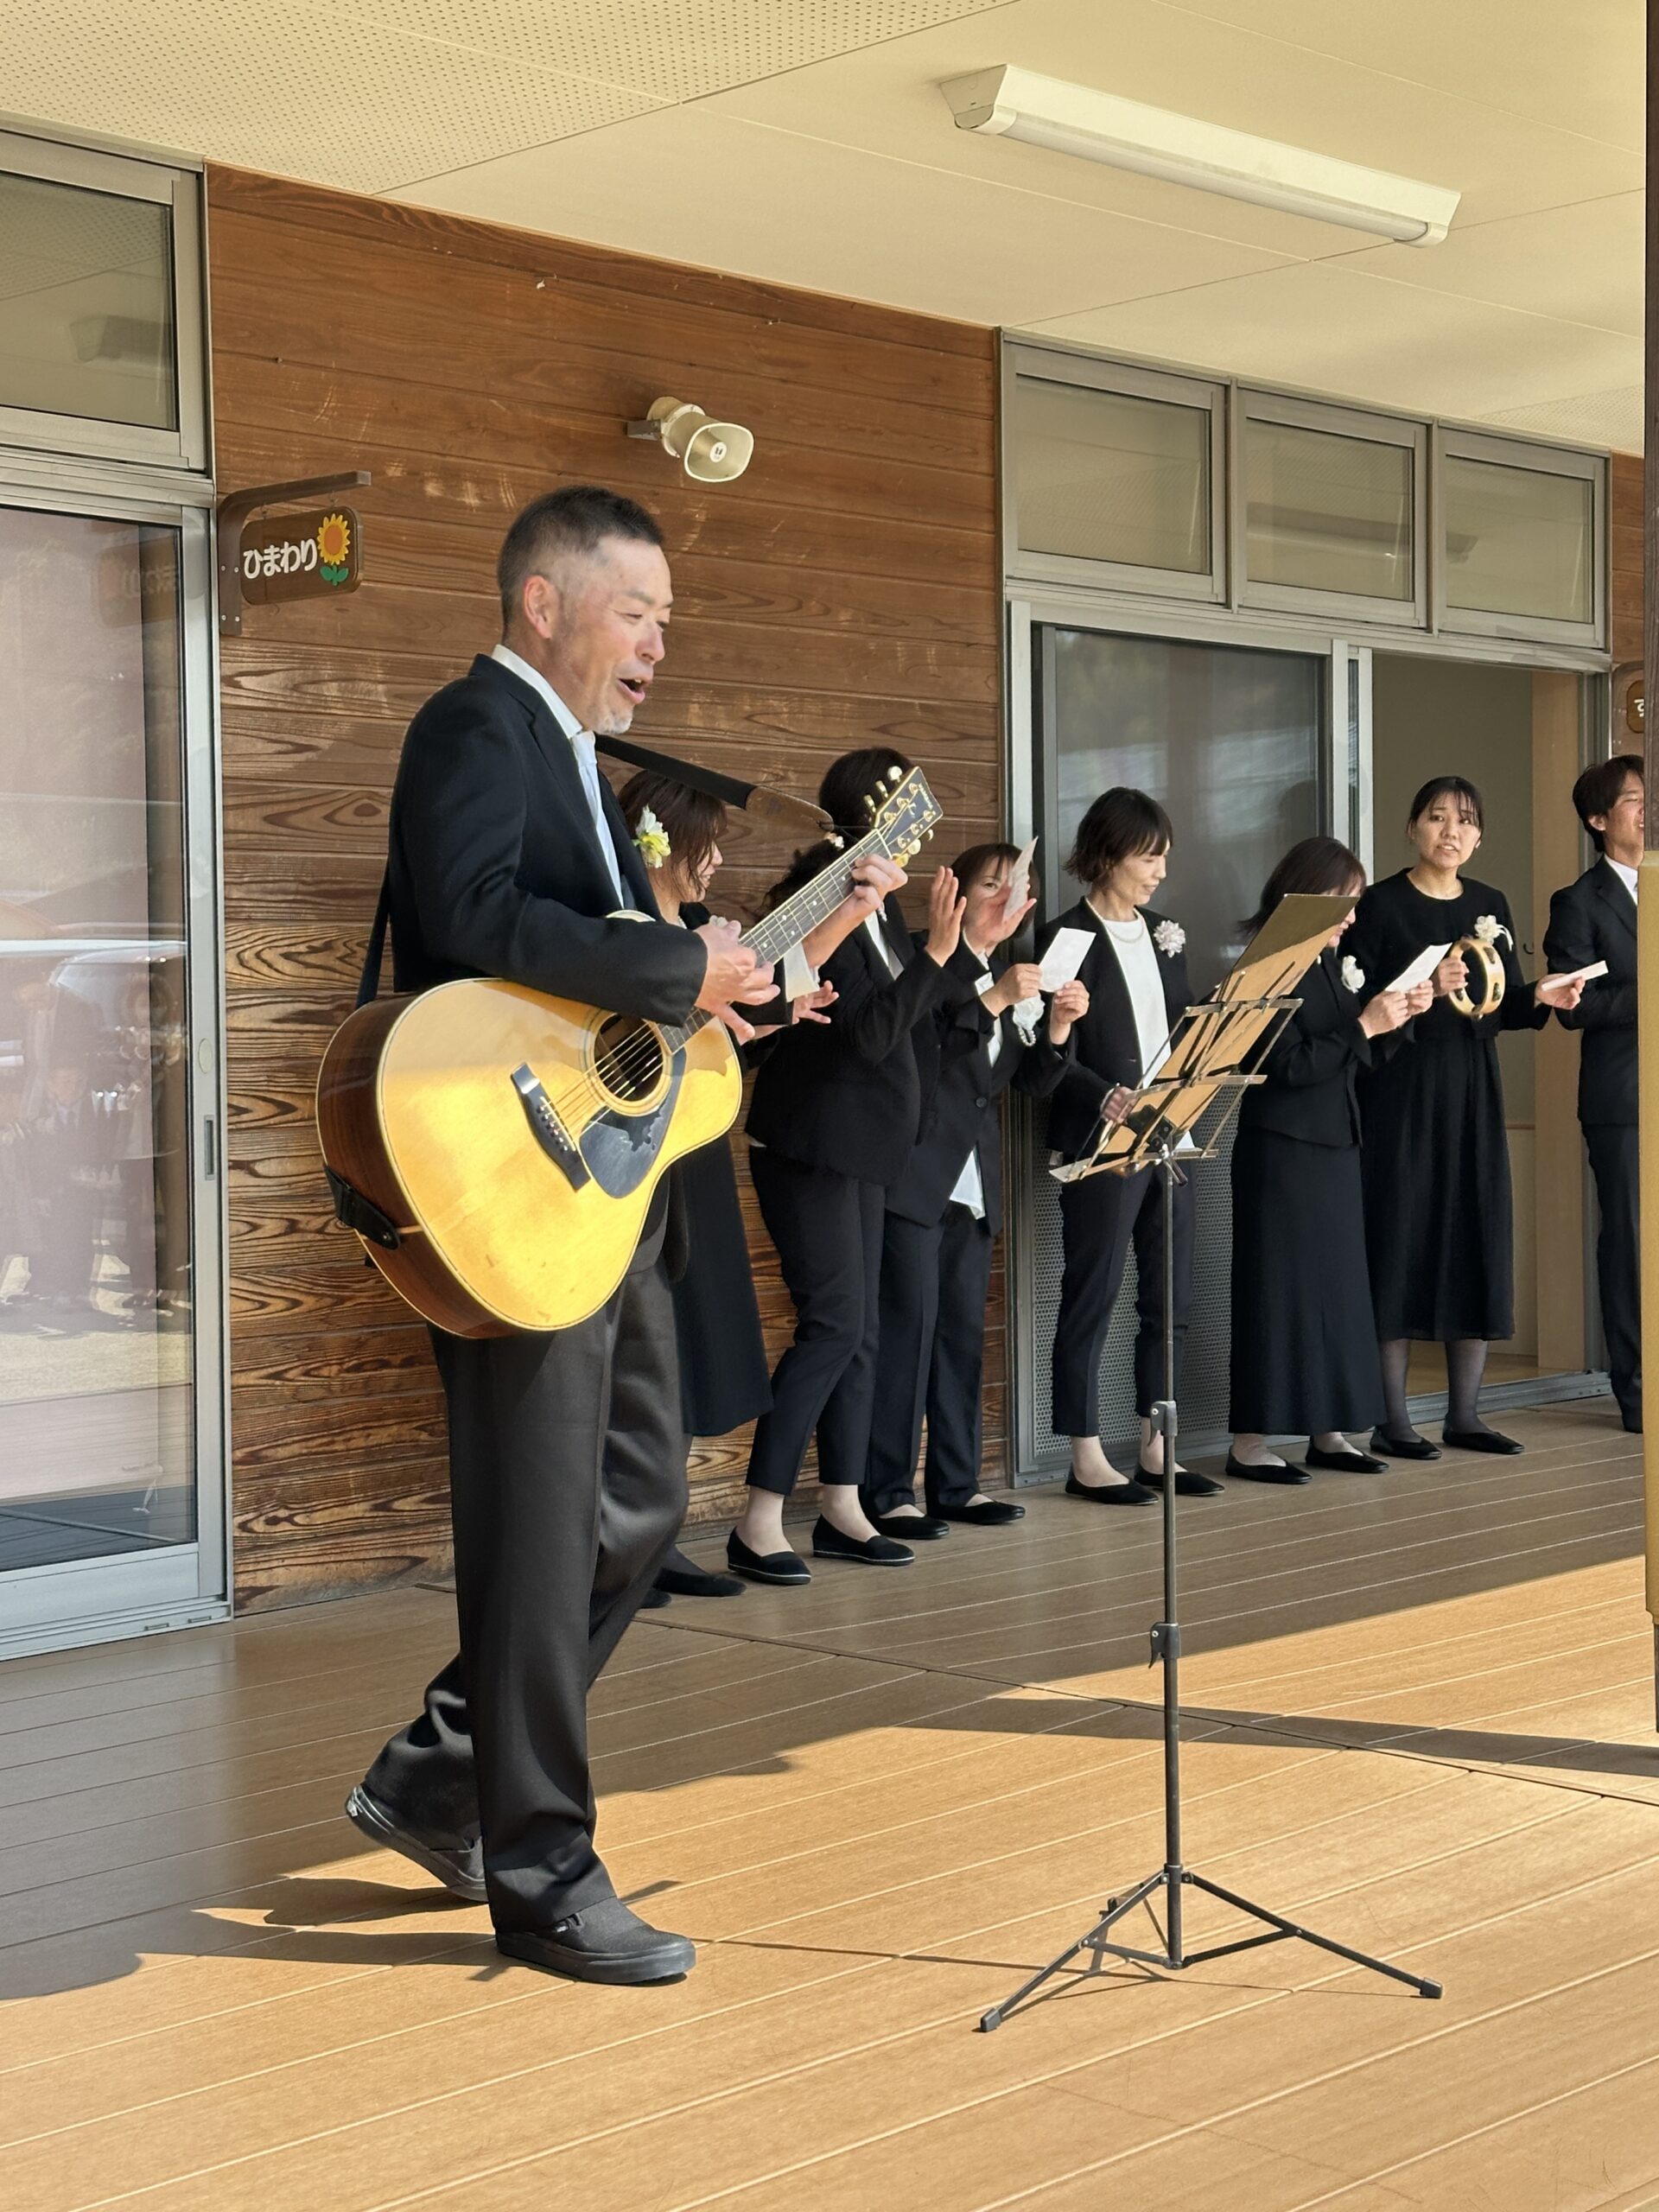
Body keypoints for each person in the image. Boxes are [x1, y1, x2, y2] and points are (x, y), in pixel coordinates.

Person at [346, 486, 778, 1989]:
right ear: (545, 604)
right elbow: (472, 916)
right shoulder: (474, 726)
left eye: (666, 617)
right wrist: (670, 966)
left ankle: (438, 1773)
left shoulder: (576, 760)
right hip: (511, 1191)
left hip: (599, 1187)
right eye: (636, 610)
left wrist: (703, 990)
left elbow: (570, 980)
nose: (659, 640)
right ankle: (542, 1877)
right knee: (538, 1532)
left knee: (640, 1504)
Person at [615, 771, 865, 1599]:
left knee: (688, 1342)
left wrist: (778, 1014)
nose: (717, 861)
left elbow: (735, 1020)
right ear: (662, 842)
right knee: (629, 1355)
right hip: (625, 1155)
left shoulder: (700, 933)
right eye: (706, 844)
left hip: (694, 1144)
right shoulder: (616, 927)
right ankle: (616, 1548)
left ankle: (656, 1540)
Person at [731, 744, 966, 1583]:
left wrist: (943, 954)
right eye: (905, 808)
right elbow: (867, 1033)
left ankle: (843, 1503)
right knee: (834, 1325)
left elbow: (902, 1022)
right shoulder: (823, 895)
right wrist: (938, 953)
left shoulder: (878, 906)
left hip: (865, 1150)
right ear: (874, 813)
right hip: (811, 1147)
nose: (916, 827)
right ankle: (759, 1519)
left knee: (861, 1332)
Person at [1346, 776, 1584, 1459]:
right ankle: (1392, 1420)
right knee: (1398, 1238)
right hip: (1400, 1092)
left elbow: (1502, 1004)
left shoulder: (1489, 903)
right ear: (1412, 827)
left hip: (1474, 1090)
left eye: (1466, 820)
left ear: (1479, 837)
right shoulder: (1381, 904)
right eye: (1437, 817)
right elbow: (1359, 1007)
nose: (1451, 831)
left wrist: (1543, 995)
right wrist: (1424, 989)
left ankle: (1465, 1415)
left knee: (1476, 1230)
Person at [863, 842, 1088, 1537]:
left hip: (975, 1183)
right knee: (905, 1337)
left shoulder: (1009, 975)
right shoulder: (919, 957)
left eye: (1016, 889)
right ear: (955, 893)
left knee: (961, 1338)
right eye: (991, 884)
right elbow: (925, 1050)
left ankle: (956, 1486)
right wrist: (996, 998)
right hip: (914, 1177)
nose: (1004, 899)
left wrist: (1056, 1026)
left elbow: (1028, 1083)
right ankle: (886, 1493)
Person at [1226, 837, 1431, 1482]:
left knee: (1337, 1290)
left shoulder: (1326, 961)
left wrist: (1397, 1020)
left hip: (1336, 1144)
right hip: (1281, 1152)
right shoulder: (1266, 964)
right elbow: (1285, 1066)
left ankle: (1329, 1429)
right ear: (1307, 895)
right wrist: (1364, 1026)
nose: (1352, 917)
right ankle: (1250, 1442)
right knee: (1277, 1290)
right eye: (1345, 902)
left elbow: (1349, 1060)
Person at [1040, 787, 1217, 1504]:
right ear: (1108, 854)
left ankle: (1156, 1447)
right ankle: (1084, 1456)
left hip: (1173, 1137)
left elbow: (1179, 1028)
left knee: (1168, 1299)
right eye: (1149, 857)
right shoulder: (1065, 938)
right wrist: (1103, 1094)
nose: (1160, 872)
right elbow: (1045, 1057)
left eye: (1164, 857)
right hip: (1102, 1143)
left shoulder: (1167, 933)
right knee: (1092, 1293)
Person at [1544, 753, 1643, 1433]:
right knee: (1632, 1247)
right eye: (1636, 798)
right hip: (1625, 1100)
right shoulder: (1579, 901)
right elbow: (1573, 1006)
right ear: (1599, 818)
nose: (1648, 809)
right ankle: (1638, 1393)